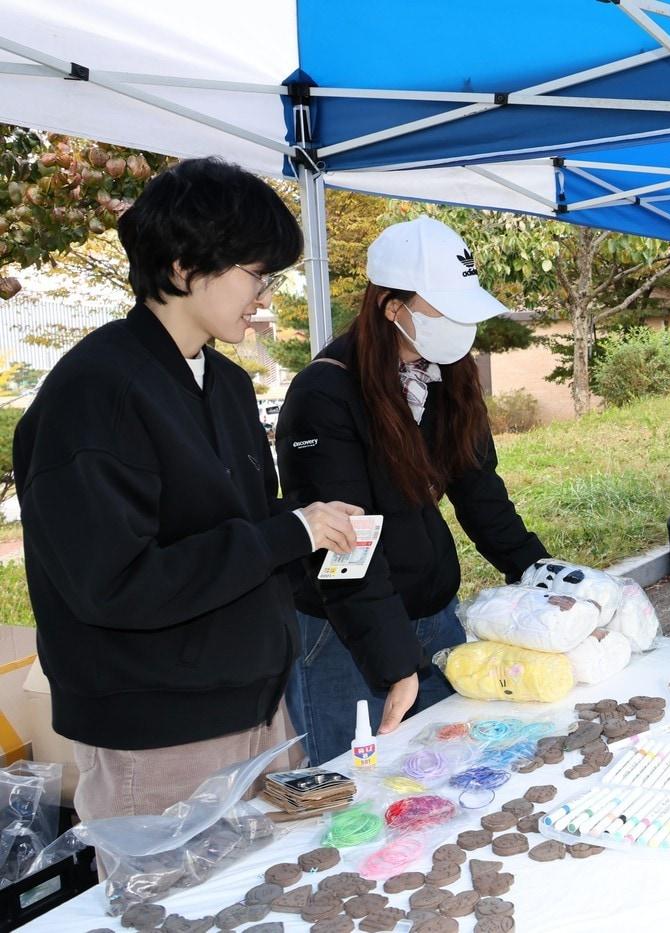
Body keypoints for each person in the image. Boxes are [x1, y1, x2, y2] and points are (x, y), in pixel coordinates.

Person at [11, 158, 361, 820]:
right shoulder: (95, 392)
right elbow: (115, 581)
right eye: (256, 274)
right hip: (161, 734)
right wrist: (288, 531)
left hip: (261, 707)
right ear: (181, 268)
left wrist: (309, 523)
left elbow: (243, 526)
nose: (265, 294)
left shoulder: (226, 384)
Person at [276, 217, 549, 766]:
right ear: (391, 308)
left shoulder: (446, 375)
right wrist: (395, 661)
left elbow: (479, 490)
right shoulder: (325, 394)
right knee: (356, 789)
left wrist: (543, 577)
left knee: (453, 772)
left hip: (430, 613)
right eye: (442, 309)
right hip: (346, 631)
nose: (459, 325)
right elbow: (344, 546)